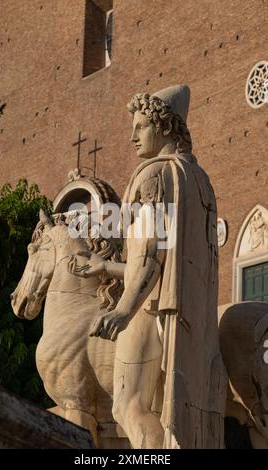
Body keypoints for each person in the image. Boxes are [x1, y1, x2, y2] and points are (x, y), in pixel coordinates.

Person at [72, 85, 226, 449]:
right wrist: (106, 267)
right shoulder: (199, 180)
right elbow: (166, 262)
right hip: (193, 323)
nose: (132, 136)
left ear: (165, 127)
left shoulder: (153, 175)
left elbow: (150, 255)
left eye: (141, 126)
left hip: (148, 310)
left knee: (129, 407)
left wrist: (124, 309)